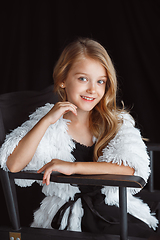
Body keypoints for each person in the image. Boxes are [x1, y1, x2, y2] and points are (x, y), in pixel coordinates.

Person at [0, 38, 159, 237]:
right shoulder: (49, 121)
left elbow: (131, 168)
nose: (92, 89)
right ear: (63, 80)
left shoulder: (114, 120)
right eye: (83, 78)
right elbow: (14, 165)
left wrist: (73, 167)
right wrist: (46, 121)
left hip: (113, 200)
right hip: (75, 211)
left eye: (100, 81)